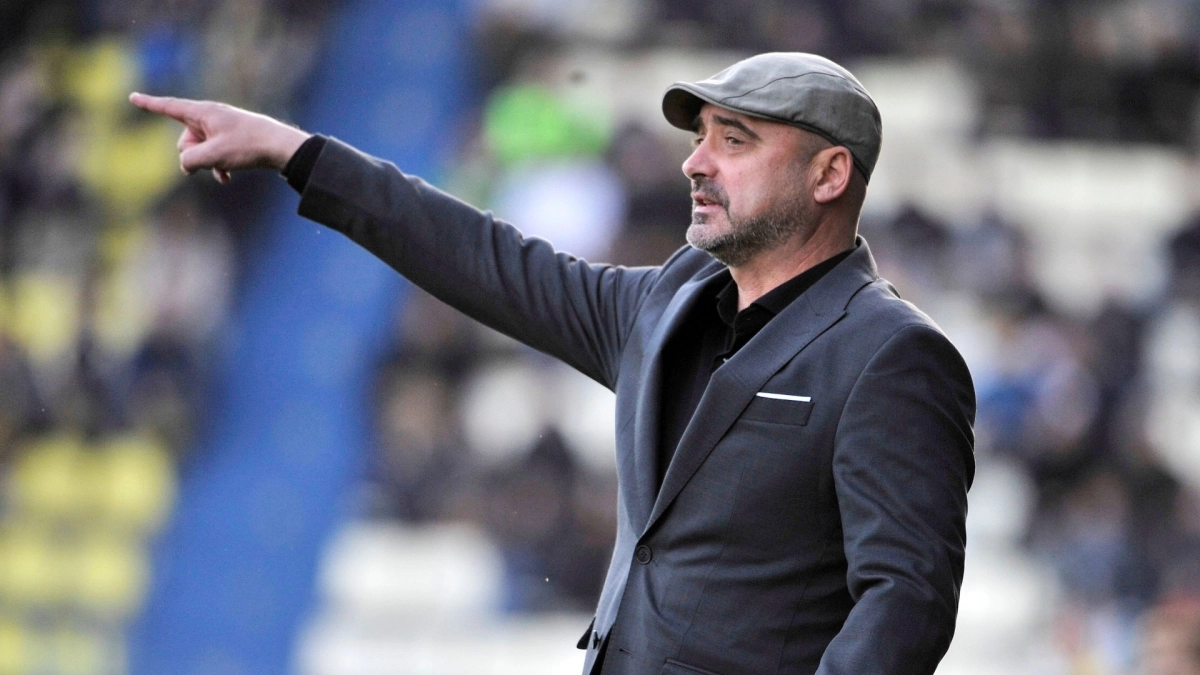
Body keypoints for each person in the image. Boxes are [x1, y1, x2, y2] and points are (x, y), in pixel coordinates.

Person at [130, 52, 976, 675]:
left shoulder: (892, 355)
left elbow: (904, 601)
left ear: (829, 174)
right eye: (700, 138)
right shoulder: (666, 302)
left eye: (735, 139)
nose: (695, 160)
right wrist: (298, 153)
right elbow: (488, 259)